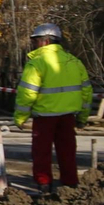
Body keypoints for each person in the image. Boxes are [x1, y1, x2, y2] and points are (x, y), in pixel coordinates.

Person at [14, 23, 93, 194]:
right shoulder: (74, 62)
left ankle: (44, 184)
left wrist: (20, 117)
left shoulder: (37, 63)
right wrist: (83, 117)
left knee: (41, 152)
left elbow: (27, 93)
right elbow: (86, 91)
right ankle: (70, 184)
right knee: (68, 151)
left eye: (36, 41)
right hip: (68, 116)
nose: (34, 44)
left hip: (45, 116)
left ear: (45, 42)